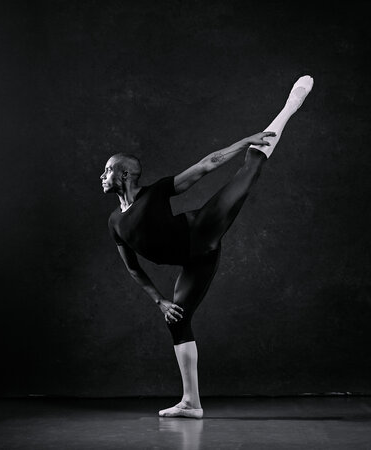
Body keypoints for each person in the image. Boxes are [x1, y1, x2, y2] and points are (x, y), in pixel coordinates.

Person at [101, 75, 314, 418]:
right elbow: (133, 268)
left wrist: (244, 140)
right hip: (198, 260)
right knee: (177, 320)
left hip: (202, 229)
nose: (102, 176)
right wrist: (160, 301)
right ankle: (192, 403)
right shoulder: (114, 221)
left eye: (108, 170)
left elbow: (206, 165)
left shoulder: (155, 192)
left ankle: (288, 108)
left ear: (125, 175)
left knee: (248, 170)